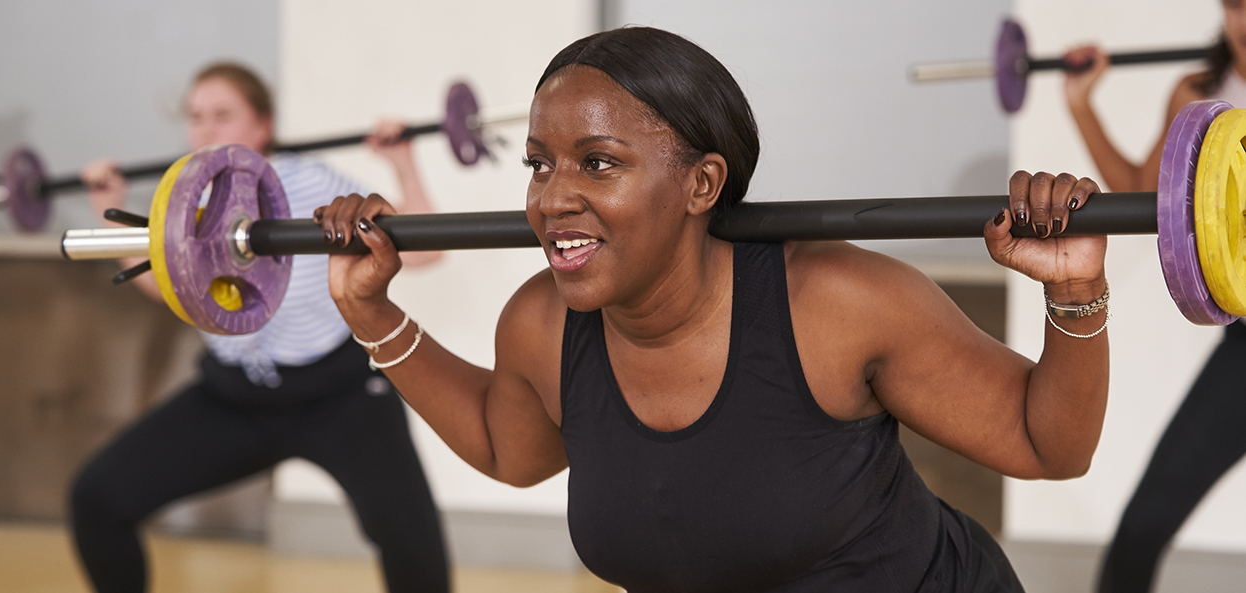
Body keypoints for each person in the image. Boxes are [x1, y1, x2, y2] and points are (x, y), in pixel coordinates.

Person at [318, 27, 1110, 592]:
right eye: (540, 164)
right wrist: (371, 312)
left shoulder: (835, 302)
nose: (553, 197)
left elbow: (1048, 443)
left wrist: (1073, 291)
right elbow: (508, 446)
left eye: (598, 163)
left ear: (701, 184)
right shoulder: (542, 324)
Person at [70, 62, 449, 593]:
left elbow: (428, 250)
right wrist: (104, 206)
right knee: (98, 497)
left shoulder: (312, 182)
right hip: (234, 396)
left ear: (262, 126)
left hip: (338, 396)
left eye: (223, 115)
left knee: (413, 539)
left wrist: (402, 163)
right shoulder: (187, 196)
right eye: (196, 117)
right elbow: (169, 287)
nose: (205, 131)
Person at [1062, 3, 1246, 592]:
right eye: (1237, 4)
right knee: (1140, 532)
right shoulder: (1202, 93)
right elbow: (1146, 196)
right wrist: (1080, 104)